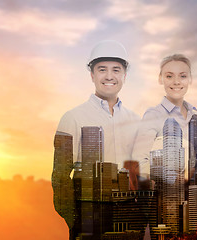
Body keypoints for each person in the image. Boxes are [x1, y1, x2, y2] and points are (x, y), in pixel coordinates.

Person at [51, 40, 140, 238]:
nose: (109, 76)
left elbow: (138, 171)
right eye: (102, 69)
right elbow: (60, 177)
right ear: (92, 75)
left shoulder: (136, 120)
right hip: (89, 215)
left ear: (124, 75)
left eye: (116, 70)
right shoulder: (72, 117)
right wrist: (75, 220)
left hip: (127, 214)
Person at [132, 54, 197, 188]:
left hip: (194, 195)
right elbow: (139, 161)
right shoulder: (154, 115)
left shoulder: (195, 115)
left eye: (183, 76)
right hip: (167, 195)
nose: (176, 82)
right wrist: (168, 180)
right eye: (169, 76)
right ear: (160, 79)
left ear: (190, 79)